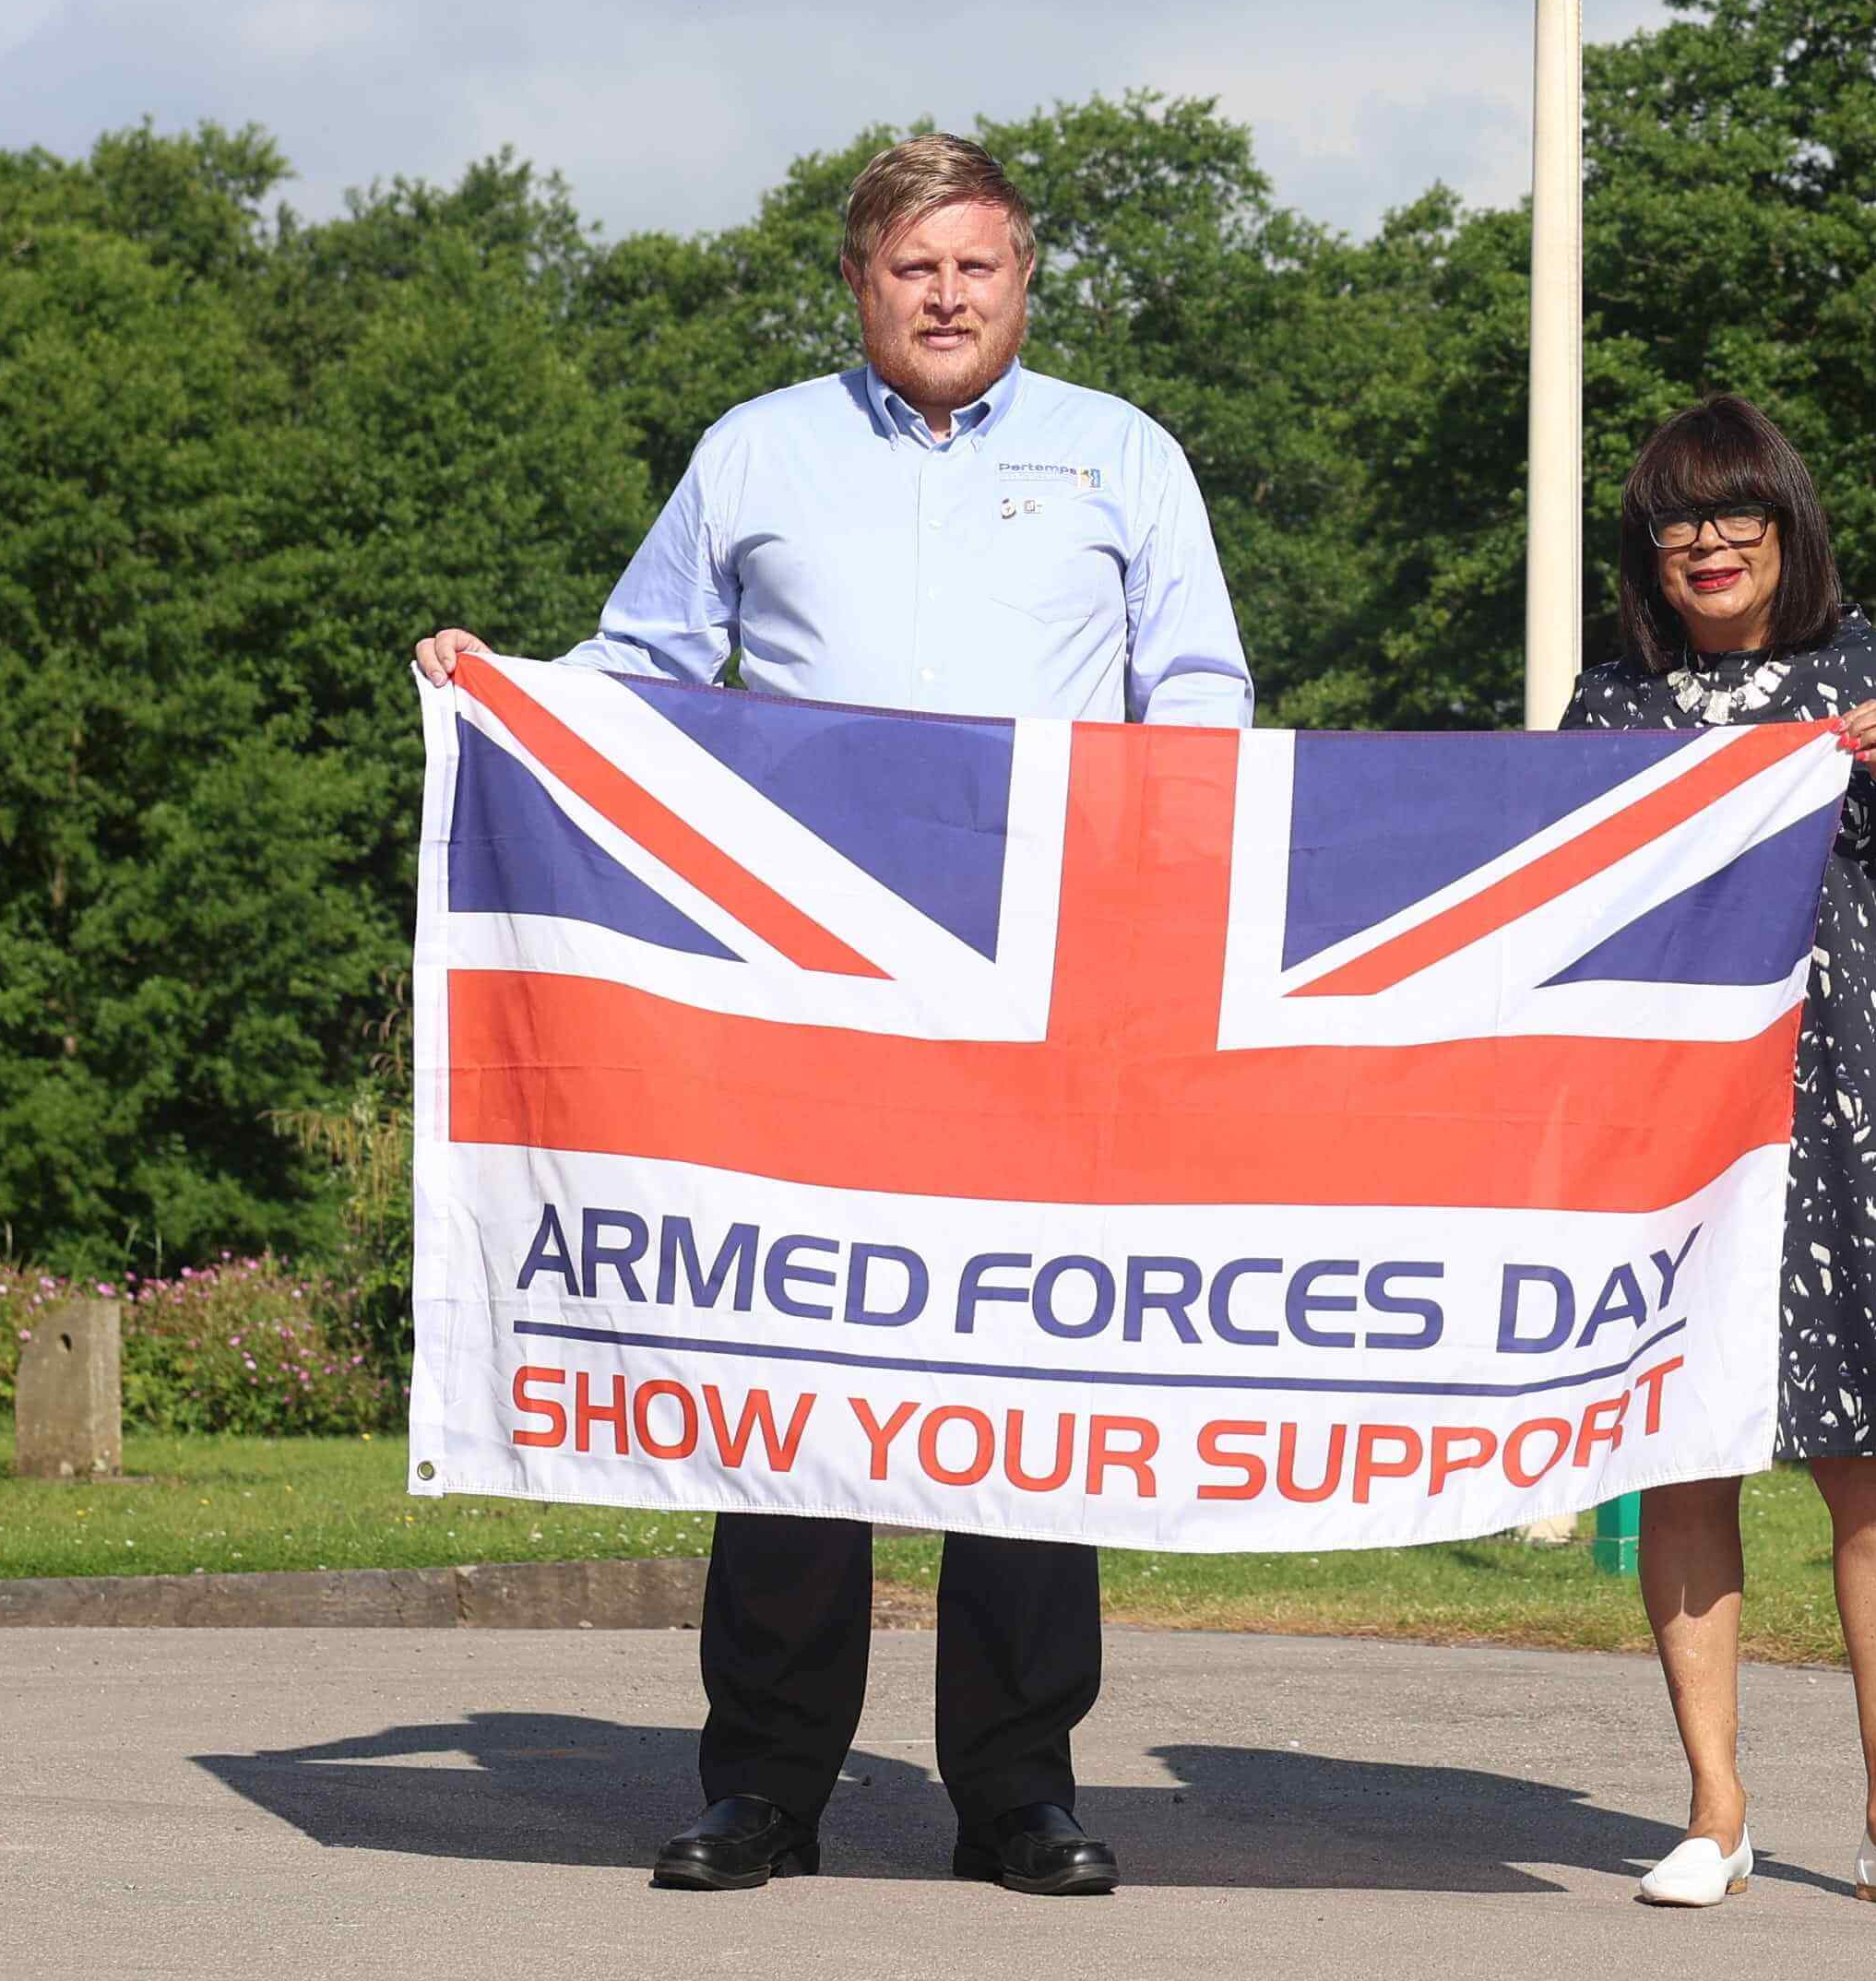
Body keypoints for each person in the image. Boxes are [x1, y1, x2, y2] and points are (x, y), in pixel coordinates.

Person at [415, 129, 1251, 1903]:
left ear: (1027, 278)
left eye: (979, 266)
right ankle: (767, 1788)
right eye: (911, 269)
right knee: (792, 1368)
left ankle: (1019, 1789)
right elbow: (638, 675)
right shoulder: (756, 452)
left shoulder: (1123, 457)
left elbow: (1198, 693)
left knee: (1033, 1379)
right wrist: (507, 699)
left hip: (1046, 991)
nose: (946, 297)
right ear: (859, 285)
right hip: (807, 995)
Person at [1554, 394, 1876, 1920]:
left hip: (1852, 1105)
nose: (1706, 544)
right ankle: (1716, 1812)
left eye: (1734, 514)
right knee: (1687, 1452)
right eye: (1676, 521)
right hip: (1677, 1108)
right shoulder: (1609, 704)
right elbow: (1560, 913)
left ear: (1786, 526)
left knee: (1872, 1465)